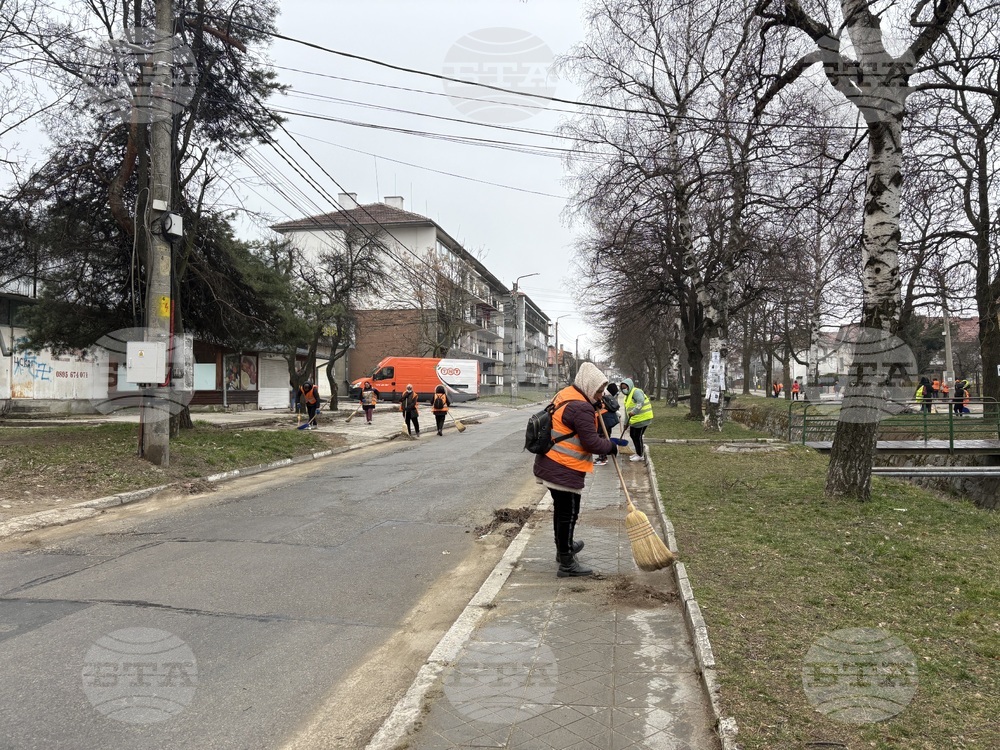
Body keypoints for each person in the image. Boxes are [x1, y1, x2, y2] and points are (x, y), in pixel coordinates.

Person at [533, 362, 623, 578]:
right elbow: (591, 443)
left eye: (602, 390)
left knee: (563, 512)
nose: (601, 395)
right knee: (568, 513)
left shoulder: (568, 394)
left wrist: (598, 406)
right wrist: (611, 446)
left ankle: (564, 549)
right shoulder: (580, 406)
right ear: (588, 385)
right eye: (599, 390)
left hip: (552, 463)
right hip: (563, 466)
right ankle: (566, 562)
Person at [620, 377, 654, 463]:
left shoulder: (636, 392)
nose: (624, 389)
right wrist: (625, 423)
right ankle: (638, 453)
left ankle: (640, 455)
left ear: (629, 386)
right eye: (622, 388)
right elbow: (627, 411)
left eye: (625, 387)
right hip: (636, 419)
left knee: (637, 436)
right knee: (633, 435)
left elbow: (640, 402)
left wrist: (634, 411)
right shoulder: (627, 397)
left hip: (643, 418)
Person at [595, 382, 620, 466]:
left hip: (603, 419)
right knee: (605, 437)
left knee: (602, 438)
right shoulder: (606, 395)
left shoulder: (601, 395)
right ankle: (602, 457)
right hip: (607, 419)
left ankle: (603, 458)